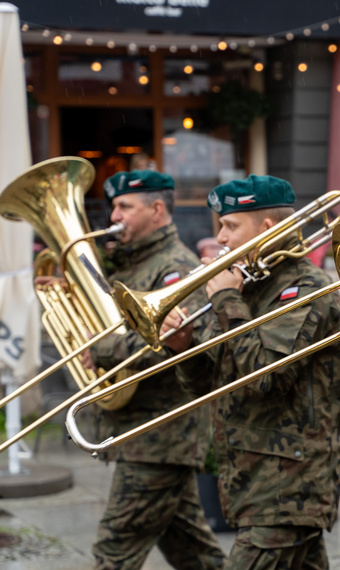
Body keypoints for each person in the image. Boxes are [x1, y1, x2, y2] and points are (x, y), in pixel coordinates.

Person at [160, 174, 340, 569]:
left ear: (266, 228)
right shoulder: (245, 288)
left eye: (231, 225)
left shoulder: (304, 289)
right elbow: (208, 386)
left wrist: (227, 301)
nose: (221, 237)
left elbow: (264, 376)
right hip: (253, 481)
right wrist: (184, 348)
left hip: (288, 487)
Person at [86, 170, 225, 569]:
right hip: (144, 433)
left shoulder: (176, 268)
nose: (114, 215)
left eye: (124, 206)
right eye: (114, 206)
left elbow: (173, 344)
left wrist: (102, 350)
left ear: (157, 210)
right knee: (193, 552)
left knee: (114, 550)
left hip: (161, 435)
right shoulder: (131, 263)